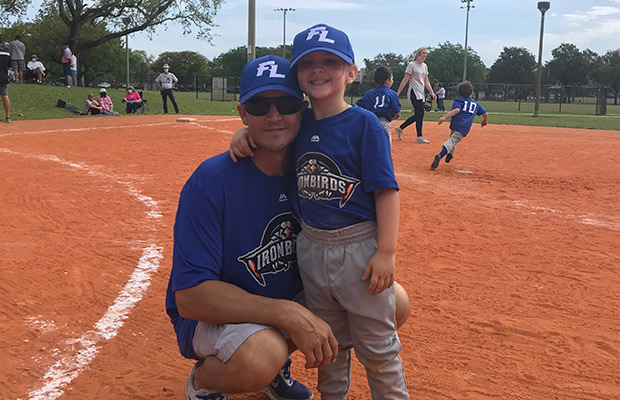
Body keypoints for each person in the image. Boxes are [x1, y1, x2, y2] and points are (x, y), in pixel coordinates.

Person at [234, 24, 409, 399]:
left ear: (351, 72)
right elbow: (268, 136)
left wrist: (386, 251)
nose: (317, 70)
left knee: (379, 349)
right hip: (311, 246)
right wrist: (241, 133)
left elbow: (387, 192)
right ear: (297, 75)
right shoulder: (299, 122)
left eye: (330, 61)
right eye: (307, 63)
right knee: (330, 347)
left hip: (358, 247)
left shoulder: (365, 125)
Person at [166, 54, 335, 400]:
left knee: (391, 302)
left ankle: (274, 363)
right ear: (242, 113)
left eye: (285, 103)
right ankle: (205, 380)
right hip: (212, 316)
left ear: (302, 108)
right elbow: (191, 297)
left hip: (279, 300)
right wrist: (288, 314)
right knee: (261, 355)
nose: (274, 116)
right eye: (259, 106)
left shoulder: (313, 172)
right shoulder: (210, 182)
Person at [431, 81, 488, 170]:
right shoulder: (475, 104)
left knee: (452, 138)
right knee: (452, 141)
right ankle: (440, 155)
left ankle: (449, 155)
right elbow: (485, 113)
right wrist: (485, 121)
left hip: (455, 124)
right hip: (464, 127)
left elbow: (457, 110)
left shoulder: (458, 100)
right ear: (471, 93)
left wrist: (444, 117)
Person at [394, 46, 436, 144]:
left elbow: (426, 81)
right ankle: (419, 136)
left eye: (426, 54)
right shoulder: (411, 65)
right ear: (418, 54)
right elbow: (405, 80)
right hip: (413, 92)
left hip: (421, 93)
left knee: (418, 114)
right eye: (423, 53)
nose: (425, 55)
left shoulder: (425, 66)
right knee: (420, 113)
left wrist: (431, 92)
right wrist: (398, 93)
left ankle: (400, 128)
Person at [355, 66, 401, 146]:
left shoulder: (369, 93)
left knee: (371, 145)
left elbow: (357, 106)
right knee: (385, 147)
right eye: (392, 79)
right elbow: (396, 111)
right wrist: (394, 116)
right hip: (384, 123)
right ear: (387, 81)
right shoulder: (392, 93)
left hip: (371, 122)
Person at [1, 42, 11, 122]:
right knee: (5, 95)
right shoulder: (7, 55)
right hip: (4, 77)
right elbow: (9, 67)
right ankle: (7, 116)